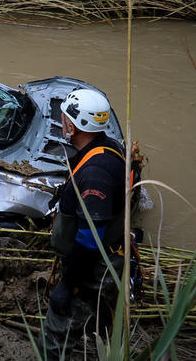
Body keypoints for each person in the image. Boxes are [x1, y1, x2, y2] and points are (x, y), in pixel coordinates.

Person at [42, 88, 127, 359]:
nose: (62, 121)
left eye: (65, 117)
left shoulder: (95, 174)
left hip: (92, 268)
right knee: (97, 318)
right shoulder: (109, 146)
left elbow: (89, 239)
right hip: (107, 256)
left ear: (74, 125)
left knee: (57, 331)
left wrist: (67, 286)